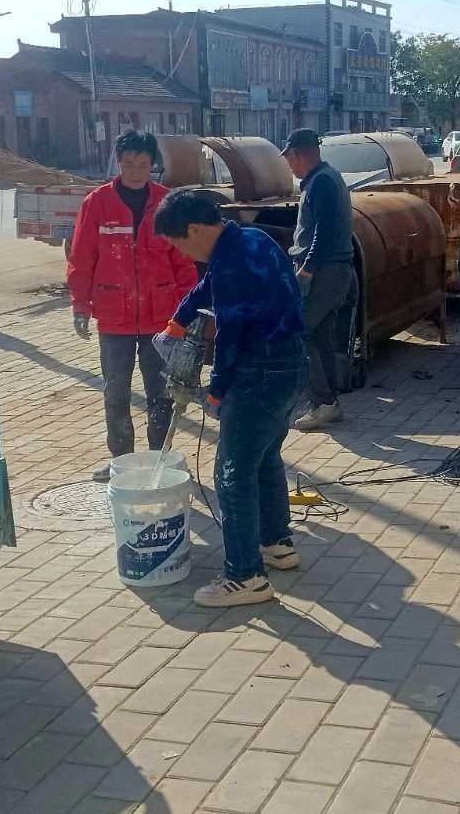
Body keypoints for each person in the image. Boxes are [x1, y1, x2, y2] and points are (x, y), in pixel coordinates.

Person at [153, 190, 307, 607]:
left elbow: (230, 337)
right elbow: (206, 287)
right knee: (265, 458)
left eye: (179, 244)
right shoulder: (249, 239)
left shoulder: (231, 264)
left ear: (195, 229)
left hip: (259, 373)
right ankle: (276, 544)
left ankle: (245, 577)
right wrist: (178, 322)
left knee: (232, 473)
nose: (182, 254)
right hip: (291, 365)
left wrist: (217, 392)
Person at [68, 131, 198, 482]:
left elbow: (184, 260)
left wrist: (189, 310)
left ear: (153, 165)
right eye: (128, 164)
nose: (136, 171)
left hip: (161, 318)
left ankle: (159, 459)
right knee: (116, 391)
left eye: (143, 165)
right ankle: (121, 459)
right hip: (114, 317)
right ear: (118, 163)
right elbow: (81, 258)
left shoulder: (167, 203)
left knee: (161, 393)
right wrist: (80, 306)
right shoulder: (97, 203)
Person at [279, 128, 357, 431]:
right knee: (321, 334)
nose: (289, 165)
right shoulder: (328, 177)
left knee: (298, 332)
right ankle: (329, 402)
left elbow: (323, 231)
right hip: (334, 270)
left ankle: (323, 402)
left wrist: (307, 269)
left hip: (324, 270)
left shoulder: (321, 182)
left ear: (297, 153)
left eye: (289, 158)